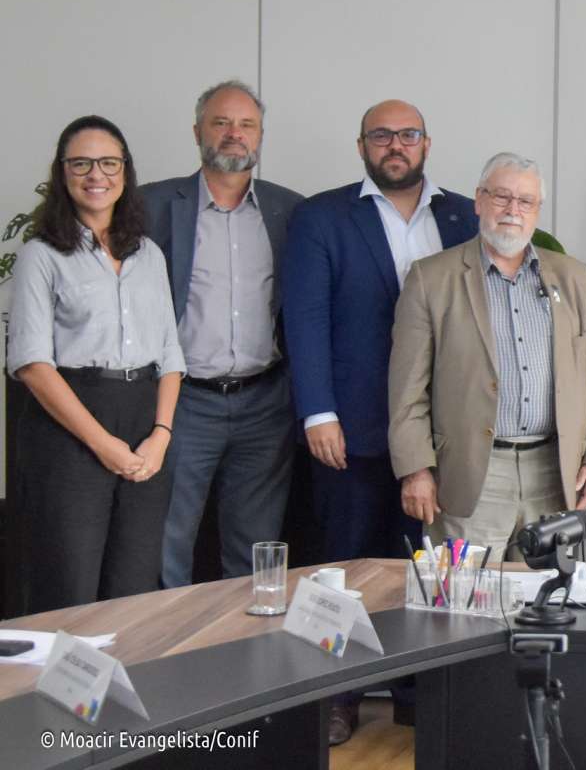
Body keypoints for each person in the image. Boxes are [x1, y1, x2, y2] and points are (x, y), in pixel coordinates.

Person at [283, 99, 477, 743]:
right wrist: (318, 410)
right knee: (342, 567)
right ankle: (335, 694)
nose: (396, 145)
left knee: (427, 567)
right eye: (382, 136)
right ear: (361, 144)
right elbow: (304, 319)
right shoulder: (322, 216)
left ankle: (416, 690)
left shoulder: (464, 216)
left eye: (408, 135)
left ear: (427, 142)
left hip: (440, 432)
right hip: (353, 428)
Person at [390, 153, 586, 557]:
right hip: (470, 473)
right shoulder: (431, 278)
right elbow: (407, 388)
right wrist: (415, 470)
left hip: (555, 471)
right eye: (502, 197)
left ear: (537, 210)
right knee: (465, 607)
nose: (513, 210)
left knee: (550, 604)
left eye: (526, 201)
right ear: (479, 201)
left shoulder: (575, 278)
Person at [9, 116, 185, 613]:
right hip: (71, 428)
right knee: (69, 587)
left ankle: (119, 692)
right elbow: (32, 363)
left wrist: (161, 435)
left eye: (108, 162)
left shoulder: (148, 254)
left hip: (144, 424)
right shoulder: (40, 255)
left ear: (125, 172)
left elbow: (170, 353)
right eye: (81, 163)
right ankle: (56, 694)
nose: (96, 174)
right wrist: (102, 443)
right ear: (62, 173)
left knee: (132, 591)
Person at [144, 81, 304, 587]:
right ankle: (164, 657)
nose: (234, 134)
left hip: (265, 403)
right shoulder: (150, 205)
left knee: (256, 550)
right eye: (221, 123)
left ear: (260, 136)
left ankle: (253, 654)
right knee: (167, 540)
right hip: (184, 403)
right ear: (197, 132)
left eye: (246, 125)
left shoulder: (291, 211)